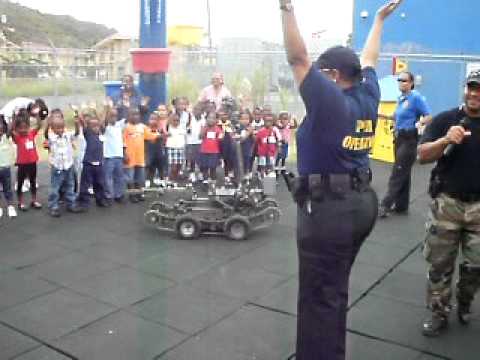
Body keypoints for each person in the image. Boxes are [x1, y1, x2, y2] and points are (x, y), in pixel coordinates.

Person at [278, 1, 402, 359]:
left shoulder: (330, 100)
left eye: (322, 72)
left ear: (332, 76)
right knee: (332, 289)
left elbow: (297, 58)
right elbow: (370, 58)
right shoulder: (368, 92)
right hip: (361, 204)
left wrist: (286, 8)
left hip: (329, 211)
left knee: (319, 298)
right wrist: (378, 20)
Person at [417, 70, 480, 337]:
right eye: (471, 87)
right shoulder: (446, 119)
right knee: (440, 265)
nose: (475, 93)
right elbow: (421, 156)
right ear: (465, 89)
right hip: (447, 204)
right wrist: (445, 140)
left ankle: (465, 300)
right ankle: (438, 311)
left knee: (475, 267)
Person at [378, 71, 432, 217]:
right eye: (399, 80)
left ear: (411, 83)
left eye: (404, 80)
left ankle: (384, 205)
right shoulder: (401, 98)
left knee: (397, 172)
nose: (401, 83)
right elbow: (394, 117)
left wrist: (417, 123)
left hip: (409, 140)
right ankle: (401, 206)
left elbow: (428, 116)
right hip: (398, 138)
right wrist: (379, 115)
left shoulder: (415, 98)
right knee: (404, 172)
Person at [44, 110, 83, 217]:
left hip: (68, 165)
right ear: (52, 128)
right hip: (57, 167)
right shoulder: (51, 137)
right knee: (55, 187)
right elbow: (46, 135)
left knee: (70, 185)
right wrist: (48, 124)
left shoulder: (67, 135)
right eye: (57, 128)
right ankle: (54, 206)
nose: (60, 130)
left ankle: (71, 204)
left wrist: (76, 124)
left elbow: (76, 133)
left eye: (62, 127)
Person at [123, 108, 160, 202]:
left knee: (140, 177)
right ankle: (132, 195)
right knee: (130, 178)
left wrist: (161, 135)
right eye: (133, 114)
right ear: (128, 116)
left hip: (140, 157)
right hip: (130, 157)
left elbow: (150, 135)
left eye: (137, 114)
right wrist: (124, 154)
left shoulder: (142, 127)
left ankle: (139, 194)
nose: (136, 116)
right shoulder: (125, 127)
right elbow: (122, 142)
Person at [11, 107, 44, 211]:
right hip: (22, 164)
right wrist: (15, 117)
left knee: (33, 181)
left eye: (26, 128)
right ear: (17, 129)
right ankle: (20, 202)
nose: (23, 130)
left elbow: (39, 125)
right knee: (20, 182)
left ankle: (34, 200)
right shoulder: (17, 137)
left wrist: (37, 115)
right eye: (21, 128)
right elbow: (11, 129)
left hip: (32, 162)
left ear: (28, 127)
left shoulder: (31, 134)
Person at [76, 114, 109, 210]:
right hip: (88, 163)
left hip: (99, 164)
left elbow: (103, 121)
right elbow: (83, 123)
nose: (96, 127)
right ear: (89, 127)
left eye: (97, 125)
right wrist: (79, 114)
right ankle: (83, 201)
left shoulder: (101, 134)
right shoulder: (88, 134)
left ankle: (100, 200)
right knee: (85, 184)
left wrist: (106, 109)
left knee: (99, 183)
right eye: (93, 126)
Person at [103, 105, 127, 204]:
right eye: (111, 116)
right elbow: (102, 123)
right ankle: (109, 196)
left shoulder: (119, 125)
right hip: (108, 156)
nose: (113, 118)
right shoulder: (105, 127)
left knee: (119, 177)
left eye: (115, 116)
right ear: (107, 117)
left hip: (119, 156)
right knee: (107, 177)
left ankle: (119, 195)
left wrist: (126, 105)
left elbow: (127, 117)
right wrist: (105, 111)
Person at [0, 115, 17, 219]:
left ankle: (10, 206)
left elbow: (11, 127)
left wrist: (13, 117)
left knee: (7, 189)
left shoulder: (6, 138)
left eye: (1, 130)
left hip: (5, 169)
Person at [199, 112, 223, 182]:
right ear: (206, 119)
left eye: (213, 118)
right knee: (204, 167)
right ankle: (205, 181)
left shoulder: (217, 128)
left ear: (216, 120)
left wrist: (221, 136)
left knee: (213, 167)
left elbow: (220, 137)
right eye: (209, 118)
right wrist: (205, 129)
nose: (211, 120)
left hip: (214, 151)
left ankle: (213, 181)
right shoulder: (204, 127)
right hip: (204, 151)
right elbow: (200, 136)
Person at [185, 103, 205, 182]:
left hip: (200, 142)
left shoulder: (203, 119)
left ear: (202, 111)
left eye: (199, 110)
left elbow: (203, 129)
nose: (197, 111)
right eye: (195, 110)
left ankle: (200, 173)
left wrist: (202, 133)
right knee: (192, 159)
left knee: (200, 158)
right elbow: (186, 128)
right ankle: (192, 173)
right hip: (190, 142)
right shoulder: (190, 119)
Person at [165, 112, 187, 182]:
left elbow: (185, 136)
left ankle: (176, 178)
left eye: (177, 120)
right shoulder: (168, 127)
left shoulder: (182, 128)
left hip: (180, 148)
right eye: (174, 120)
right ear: (171, 120)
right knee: (173, 166)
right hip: (171, 148)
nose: (176, 122)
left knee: (179, 165)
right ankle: (171, 179)